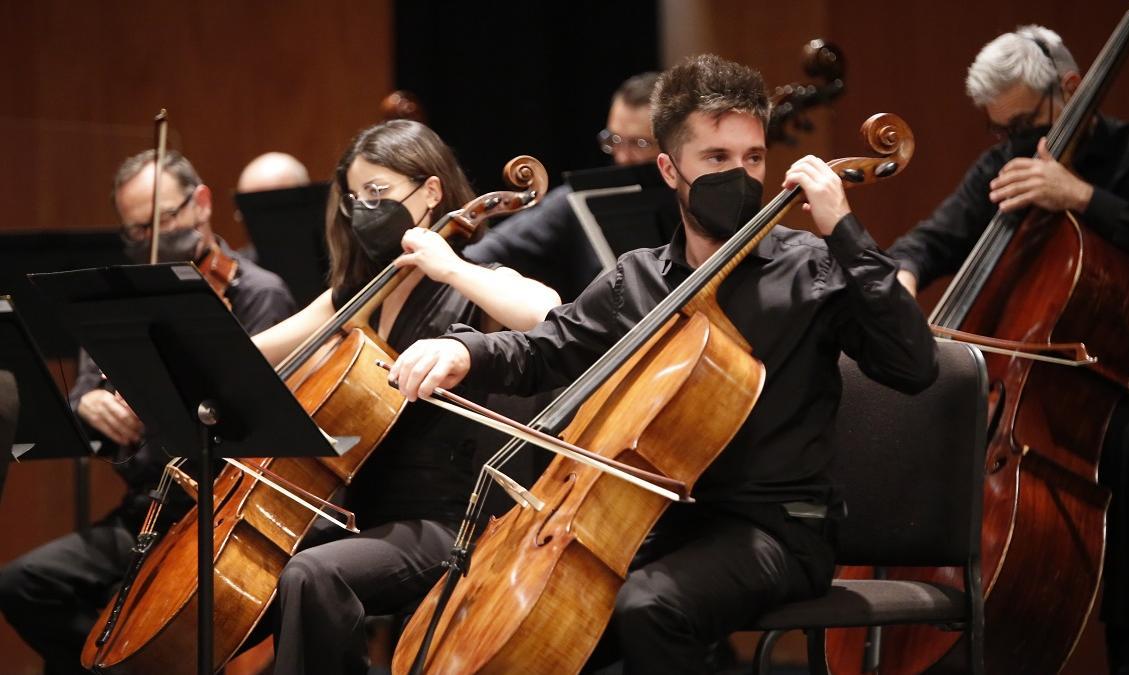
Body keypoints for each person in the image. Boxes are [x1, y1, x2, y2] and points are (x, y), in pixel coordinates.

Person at [388, 54, 937, 674]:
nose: (741, 175)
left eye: (753, 158)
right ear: (670, 168)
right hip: (663, 524)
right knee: (547, 628)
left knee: (648, 607)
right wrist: (463, 350)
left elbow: (913, 364)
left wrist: (845, 229)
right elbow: (548, 348)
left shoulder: (813, 266)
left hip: (779, 532)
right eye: (717, 159)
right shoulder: (639, 280)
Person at [886, 25, 1129, 675]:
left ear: (1071, 88)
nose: (1014, 146)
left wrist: (1084, 198)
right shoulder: (1005, 162)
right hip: (1031, 386)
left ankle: (1126, 640)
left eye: (1024, 124)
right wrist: (906, 271)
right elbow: (935, 235)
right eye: (1001, 132)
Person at [248, 119, 561, 674]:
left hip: (454, 522)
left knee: (315, 575)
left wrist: (452, 267)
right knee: (253, 563)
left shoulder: (472, 284)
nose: (364, 209)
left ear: (431, 192)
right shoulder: (361, 296)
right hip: (369, 515)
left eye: (379, 192)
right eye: (354, 197)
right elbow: (254, 352)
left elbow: (548, 313)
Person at [0, 150, 296, 675]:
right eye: (137, 230)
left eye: (163, 219)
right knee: (24, 584)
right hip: (145, 509)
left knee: (139, 622)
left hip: (221, 515)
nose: (151, 237)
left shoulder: (259, 295)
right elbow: (87, 391)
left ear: (201, 203)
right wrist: (84, 402)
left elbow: (264, 422)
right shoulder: (117, 300)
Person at [463, 71, 661, 302]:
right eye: (614, 140)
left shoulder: (696, 203)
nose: (623, 157)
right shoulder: (578, 200)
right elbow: (495, 246)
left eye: (640, 143)